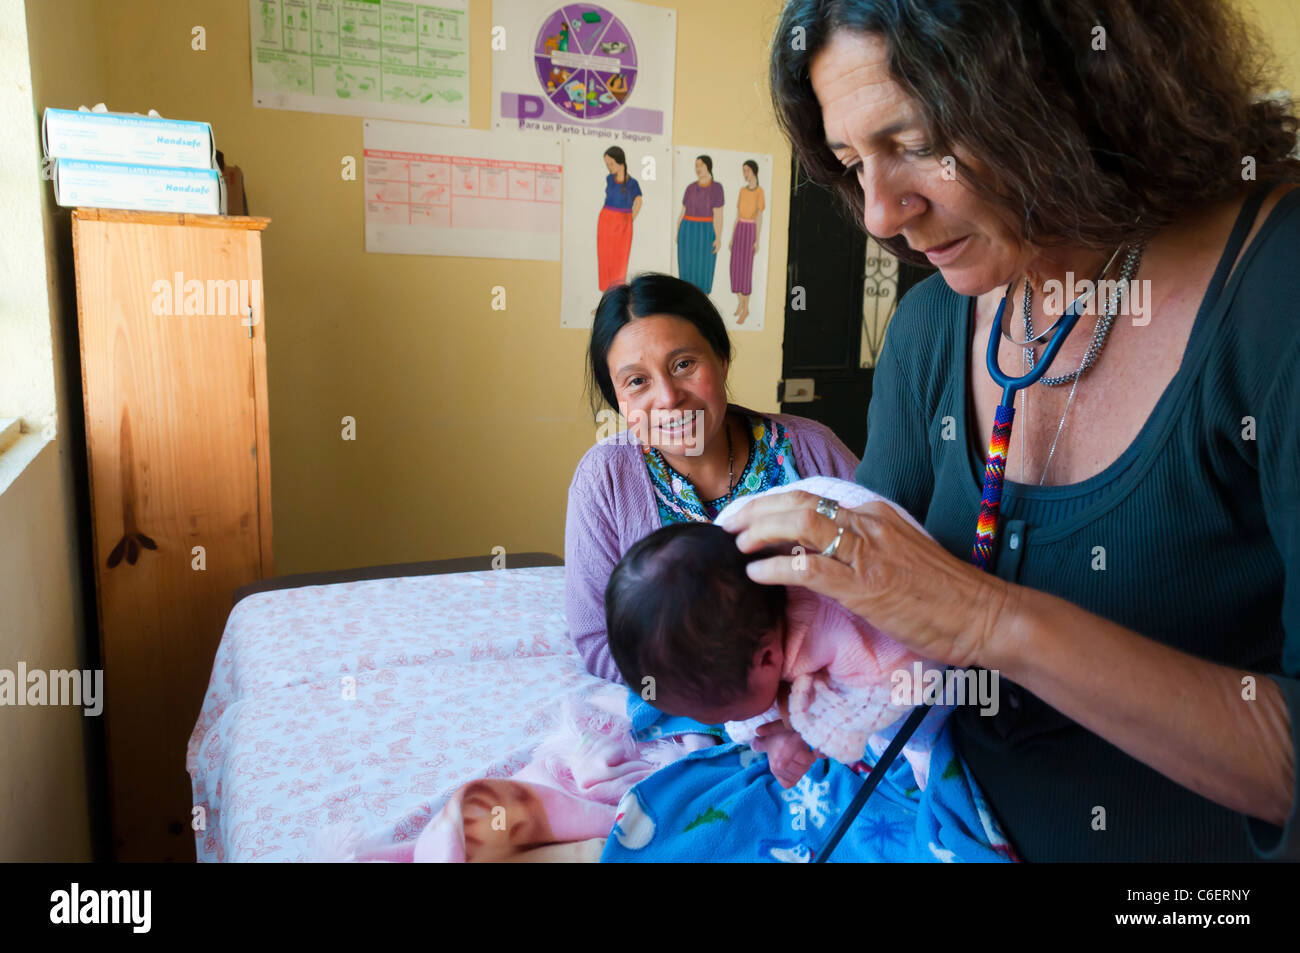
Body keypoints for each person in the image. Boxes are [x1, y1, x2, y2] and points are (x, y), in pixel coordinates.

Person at [733, 0, 1300, 861]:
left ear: (1073, 82)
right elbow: (872, 624)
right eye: (852, 163)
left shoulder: (1275, 297)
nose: (881, 213)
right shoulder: (932, 328)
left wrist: (989, 619)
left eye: (917, 141)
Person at [564, 272, 859, 691]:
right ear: (619, 401)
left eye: (684, 364)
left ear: (721, 359)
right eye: (637, 382)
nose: (667, 396)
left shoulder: (812, 450)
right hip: (685, 706)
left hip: (826, 690)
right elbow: (598, 640)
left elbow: (883, 569)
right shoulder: (604, 480)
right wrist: (723, 699)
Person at [604, 476, 951, 791]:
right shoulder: (725, 556)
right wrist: (774, 732)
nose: (729, 727)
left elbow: (900, 689)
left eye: (728, 716)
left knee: (929, 757)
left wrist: (807, 730)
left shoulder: (857, 639)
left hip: (924, 660)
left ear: (769, 657)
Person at [675, 156, 725, 293]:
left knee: (704, 270)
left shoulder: (717, 188)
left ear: (708, 166)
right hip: (687, 230)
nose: (698, 168)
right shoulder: (690, 188)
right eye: (696, 165)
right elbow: (683, 212)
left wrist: (718, 237)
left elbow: (718, 215)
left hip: (706, 232)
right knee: (687, 269)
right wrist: (678, 231)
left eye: (701, 165)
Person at [597, 146, 641, 291]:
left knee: (619, 261)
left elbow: (639, 201)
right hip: (606, 220)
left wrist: (630, 219)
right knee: (605, 260)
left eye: (611, 164)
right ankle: (604, 301)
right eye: (607, 164)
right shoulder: (609, 179)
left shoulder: (632, 183)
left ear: (620, 162)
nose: (609, 168)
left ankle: (615, 299)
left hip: (623, 224)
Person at [730, 159, 765, 323]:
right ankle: (740, 303)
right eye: (743, 170)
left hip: (750, 231)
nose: (744, 174)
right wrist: (731, 237)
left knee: (746, 270)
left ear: (753, 171)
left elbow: (759, 217)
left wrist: (757, 239)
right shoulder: (742, 191)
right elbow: (737, 214)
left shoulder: (759, 192)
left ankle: (746, 308)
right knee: (735, 268)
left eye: (746, 170)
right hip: (739, 230)